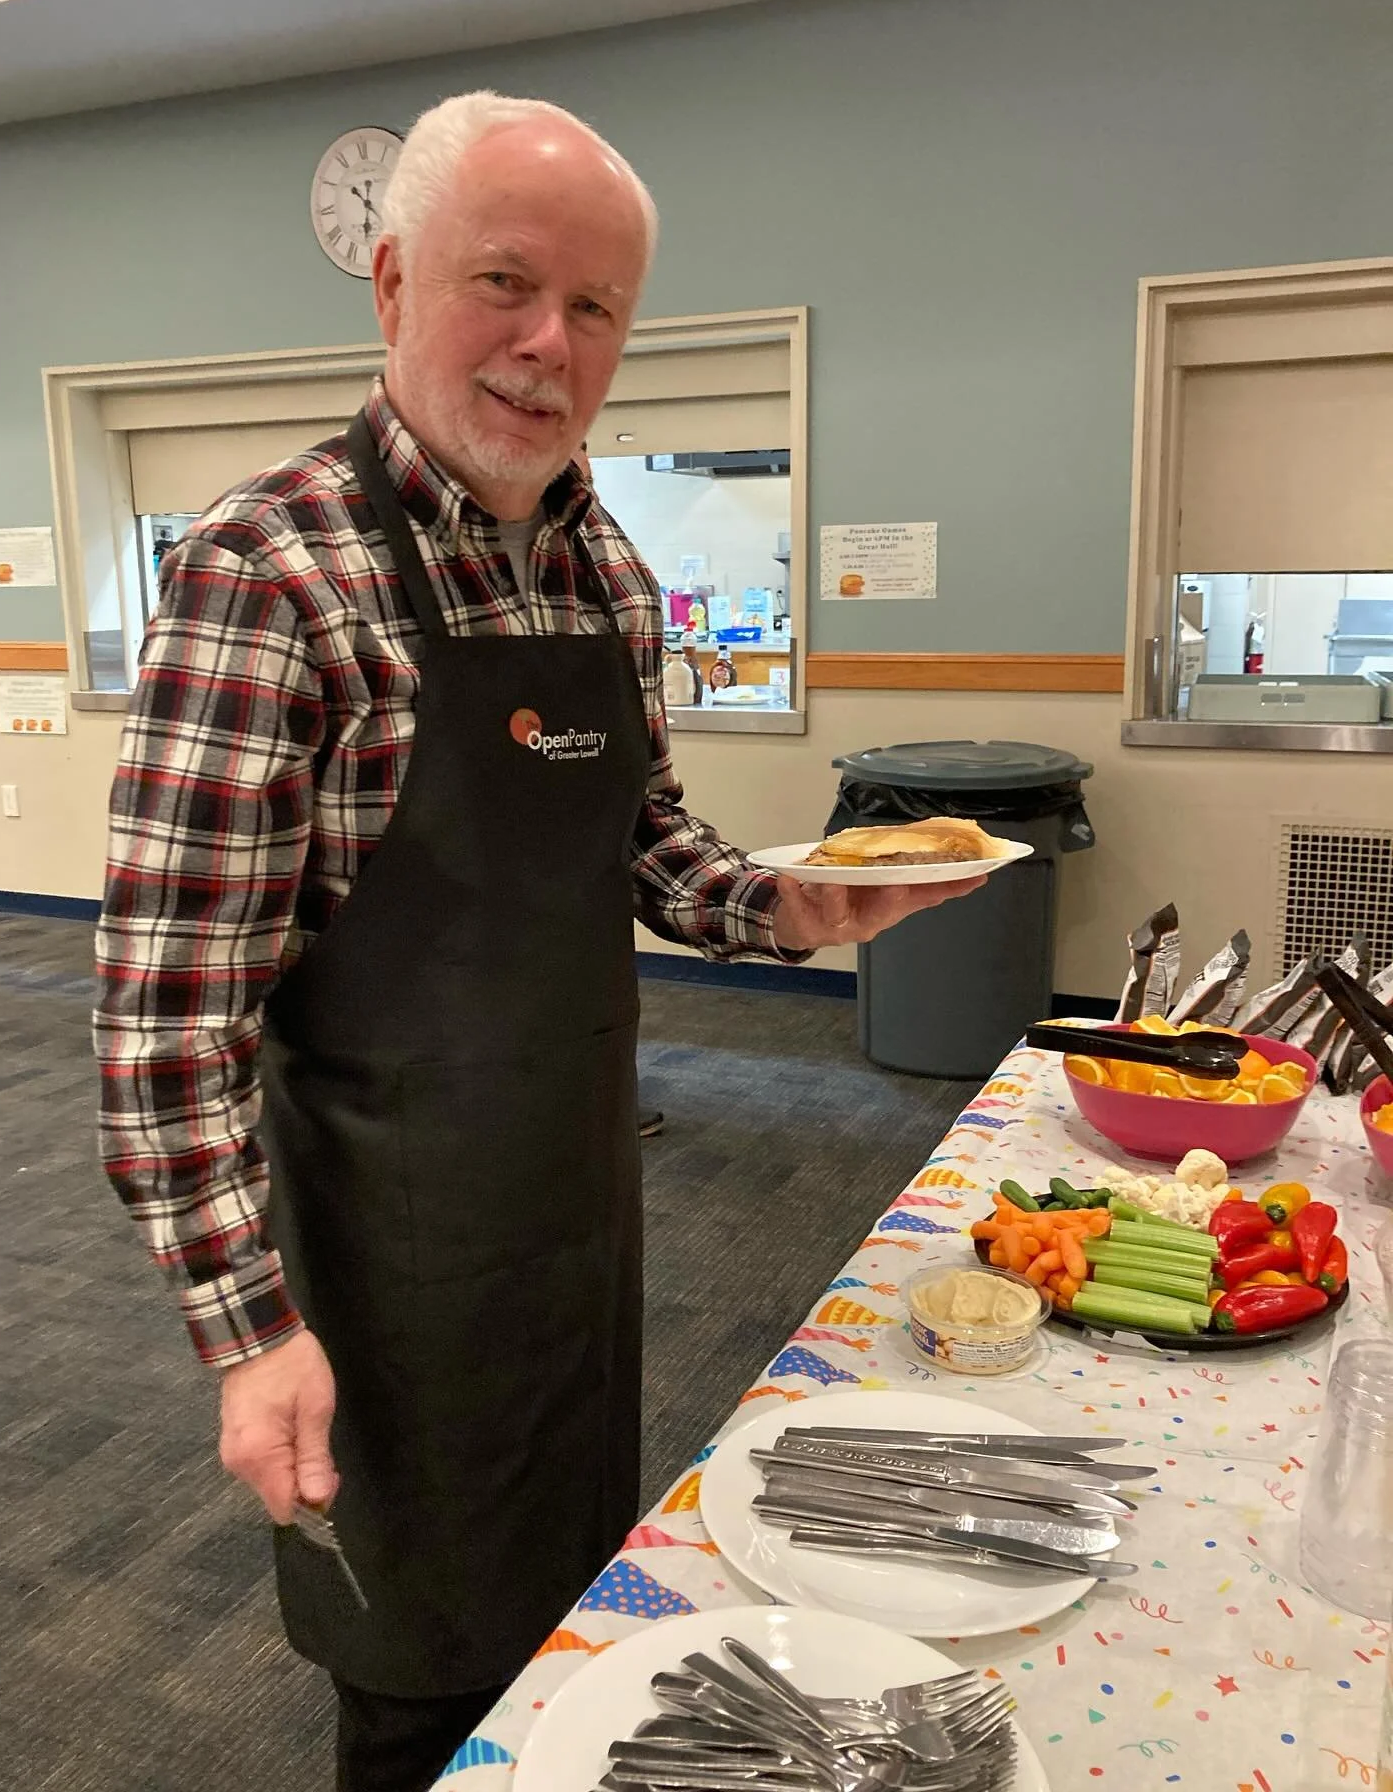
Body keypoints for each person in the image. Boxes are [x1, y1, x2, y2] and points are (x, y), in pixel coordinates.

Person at [93, 90, 984, 1791]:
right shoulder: (271, 574)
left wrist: (792, 903)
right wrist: (247, 1330)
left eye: (594, 309)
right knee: (423, 1676)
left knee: (575, 1611)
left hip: (576, 1208)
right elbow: (161, 1033)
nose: (546, 343)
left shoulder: (605, 570)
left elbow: (646, 845)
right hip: (375, 1251)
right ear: (391, 280)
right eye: (504, 282)